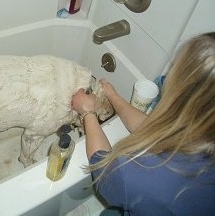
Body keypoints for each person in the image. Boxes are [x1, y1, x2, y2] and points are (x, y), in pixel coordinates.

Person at [71, 32, 215, 216]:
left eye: (173, 70)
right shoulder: (202, 136)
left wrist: (87, 112)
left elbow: (102, 169)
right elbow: (153, 128)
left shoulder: (147, 172)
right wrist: (114, 97)